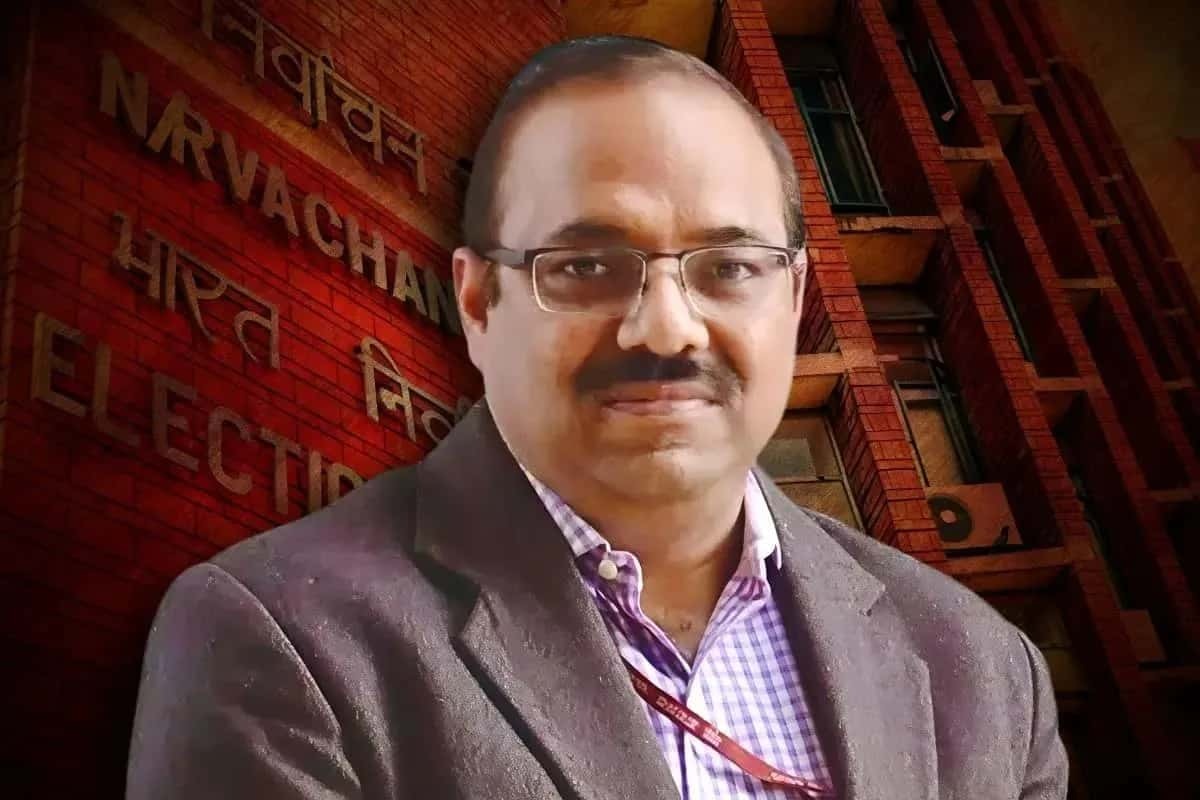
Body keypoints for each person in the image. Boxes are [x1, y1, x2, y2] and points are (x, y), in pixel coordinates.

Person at [126, 35, 1068, 800]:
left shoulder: (986, 676)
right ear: (479, 304)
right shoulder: (278, 642)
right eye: (585, 267)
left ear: (792, 301)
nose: (667, 327)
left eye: (730, 267)